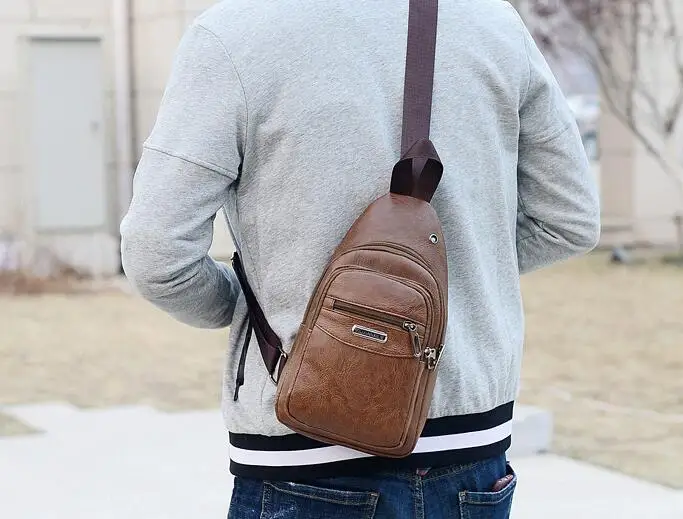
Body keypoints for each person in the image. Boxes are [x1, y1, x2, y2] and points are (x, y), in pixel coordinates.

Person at [120, 0, 600, 517]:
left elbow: (156, 253)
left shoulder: (233, 33)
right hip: (472, 452)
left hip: (303, 436)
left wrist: (247, 306)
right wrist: (442, 287)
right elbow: (568, 220)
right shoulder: (493, 23)